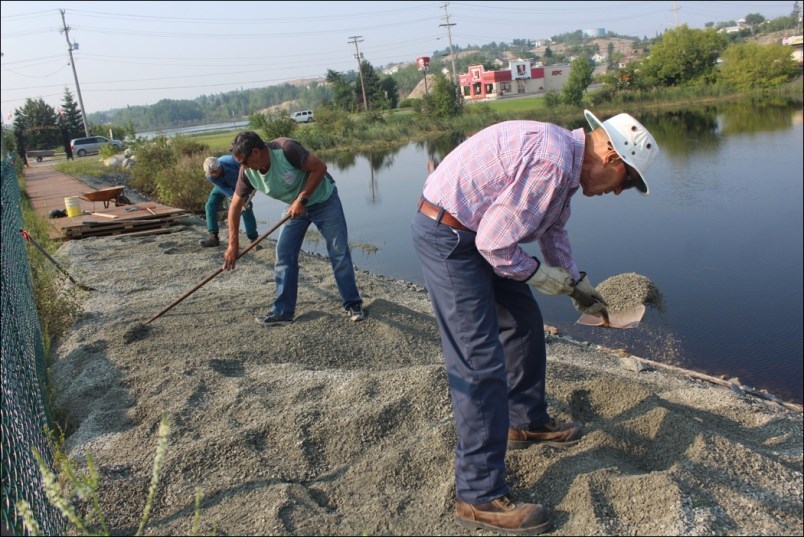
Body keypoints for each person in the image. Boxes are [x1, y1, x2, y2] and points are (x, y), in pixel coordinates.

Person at [410, 110, 660, 535]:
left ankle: (525, 421)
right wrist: (539, 275)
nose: (618, 193)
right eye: (626, 183)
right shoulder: (552, 162)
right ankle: (478, 495)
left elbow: (552, 233)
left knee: (524, 323)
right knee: (478, 361)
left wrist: (578, 283)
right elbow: (496, 243)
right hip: (452, 237)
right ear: (613, 158)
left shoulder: (563, 162)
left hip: (476, 232)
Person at [224, 130, 366, 325]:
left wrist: (302, 198)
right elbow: (235, 207)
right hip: (294, 209)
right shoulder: (247, 172)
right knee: (284, 255)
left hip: (324, 201)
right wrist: (233, 245)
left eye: (244, 161)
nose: (242, 166)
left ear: (256, 152)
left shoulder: (286, 149)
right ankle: (283, 312)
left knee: (338, 252)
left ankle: (353, 304)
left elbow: (319, 167)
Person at [200, 155, 260, 249]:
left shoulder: (232, 161)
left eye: (216, 172)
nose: (215, 175)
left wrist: (250, 189)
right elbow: (222, 187)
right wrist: (233, 196)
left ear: (220, 166)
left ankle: (254, 240)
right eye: (212, 174)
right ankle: (214, 236)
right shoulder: (209, 175)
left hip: (240, 184)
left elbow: (249, 171)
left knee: (246, 207)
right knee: (210, 205)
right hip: (223, 187)